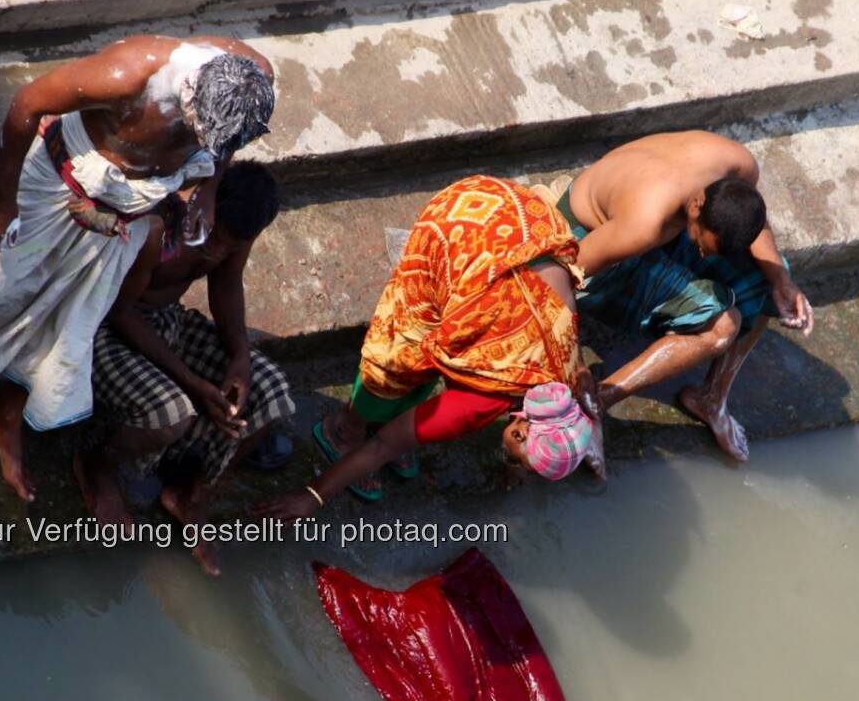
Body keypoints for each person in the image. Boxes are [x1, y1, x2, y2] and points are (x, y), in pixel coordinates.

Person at [0, 34, 276, 502]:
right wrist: (1, 200)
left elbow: (222, 145)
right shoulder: (130, 75)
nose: (205, 146)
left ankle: (5, 415)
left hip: (127, 210)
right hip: (62, 178)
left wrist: (207, 191)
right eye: (202, 134)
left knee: (68, 318)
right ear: (193, 96)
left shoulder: (255, 82)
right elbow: (26, 105)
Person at [257, 175, 601, 520]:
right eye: (521, 456)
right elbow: (382, 447)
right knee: (402, 352)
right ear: (518, 429)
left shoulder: (567, 377)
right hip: (458, 228)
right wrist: (312, 497)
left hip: (515, 218)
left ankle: (397, 417)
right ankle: (344, 428)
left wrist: (520, 459)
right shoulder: (482, 402)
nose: (518, 463)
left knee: (448, 354)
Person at [76, 161, 294, 575]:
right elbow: (122, 314)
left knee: (271, 390)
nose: (217, 250)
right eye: (216, 238)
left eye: (231, 245)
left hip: (167, 322)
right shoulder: (162, 227)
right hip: (106, 328)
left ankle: (189, 492)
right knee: (172, 414)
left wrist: (241, 357)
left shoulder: (238, 230)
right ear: (206, 203)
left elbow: (227, 283)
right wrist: (192, 384)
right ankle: (95, 464)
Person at [561, 130, 813, 461]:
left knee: (770, 275)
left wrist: (781, 280)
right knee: (721, 326)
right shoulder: (644, 223)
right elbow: (563, 276)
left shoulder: (736, 164)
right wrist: (576, 368)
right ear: (696, 206)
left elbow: (754, 218)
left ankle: (711, 397)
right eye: (701, 247)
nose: (704, 259)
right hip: (593, 244)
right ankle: (595, 405)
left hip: (668, 230)